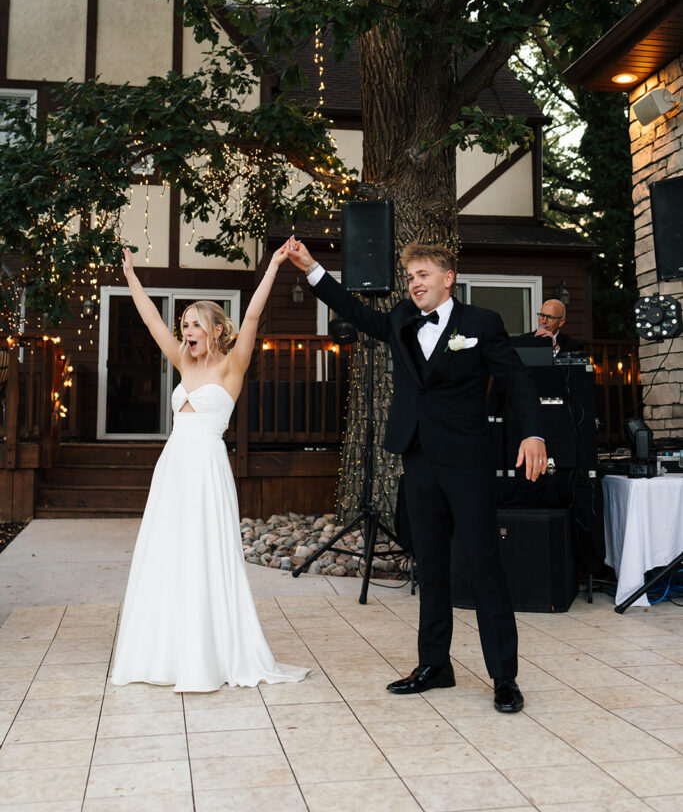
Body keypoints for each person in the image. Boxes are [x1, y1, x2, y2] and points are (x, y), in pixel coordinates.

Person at [288, 238, 546, 714]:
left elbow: (517, 382)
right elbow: (353, 309)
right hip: (418, 459)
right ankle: (435, 665)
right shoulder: (402, 320)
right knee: (429, 566)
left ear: (447, 279)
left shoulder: (481, 324)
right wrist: (311, 269)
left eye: (423, 275)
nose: (415, 284)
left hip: (467, 461)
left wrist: (533, 434)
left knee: (484, 565)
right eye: (410, 277)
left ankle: (504, 677)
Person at [111, 242, 309, 693]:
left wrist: (275, 267)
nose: (186, 331)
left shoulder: (232, 366)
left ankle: (210, 653)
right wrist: (132, 277)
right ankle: (164, 653)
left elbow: (254, 317)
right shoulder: (182, 360)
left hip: (206, 469)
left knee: (205, 554)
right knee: (167, 553)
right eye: (185, 325)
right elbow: (151, 320)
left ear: (217, 330)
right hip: (174, 468)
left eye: (195, 324)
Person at [514, 299, 583, 354]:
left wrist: (555, 347)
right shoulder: (522, 341)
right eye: (542, 315)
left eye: (549, 317)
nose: (544, 321)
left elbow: (568, 370)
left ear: (561, 322)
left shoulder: (573, 345)